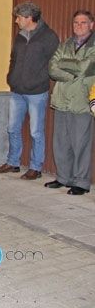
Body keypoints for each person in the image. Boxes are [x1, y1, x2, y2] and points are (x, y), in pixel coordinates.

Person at [0, 2, 59, 180]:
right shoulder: (20, 36)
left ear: (29, 18)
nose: (16, 21)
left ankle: (35, 168)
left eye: (19, 17)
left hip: (37, 92)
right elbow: (13, 59)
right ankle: (13, 162)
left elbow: (54, 64)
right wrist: (11, 78)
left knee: (36, 132)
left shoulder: (49, 36)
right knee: (12, 128)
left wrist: (39, 79)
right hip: (17, 90)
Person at [43, 10, 95, 195]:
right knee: (61, 142)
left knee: (81, 144)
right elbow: (52, 67)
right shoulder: (65, 44)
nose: (78, 26)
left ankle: (81, 182)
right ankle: (63, 177)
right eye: (75, 23)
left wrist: (64, 65)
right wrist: (71, 72)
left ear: (91, 25)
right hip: (61, 99)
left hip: (81, 101)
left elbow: (84, 68)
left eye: (83, 22)